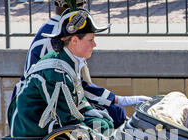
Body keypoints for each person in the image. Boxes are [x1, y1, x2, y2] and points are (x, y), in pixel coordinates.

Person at [10, 0, 149, 129]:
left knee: (112, 113)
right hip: (34, 112)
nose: (94, 44)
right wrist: (118, 100)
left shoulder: (59, 28)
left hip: (50, 100)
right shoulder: (60, 35)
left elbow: (75, 86)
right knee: (113, 115)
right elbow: (67, 86)